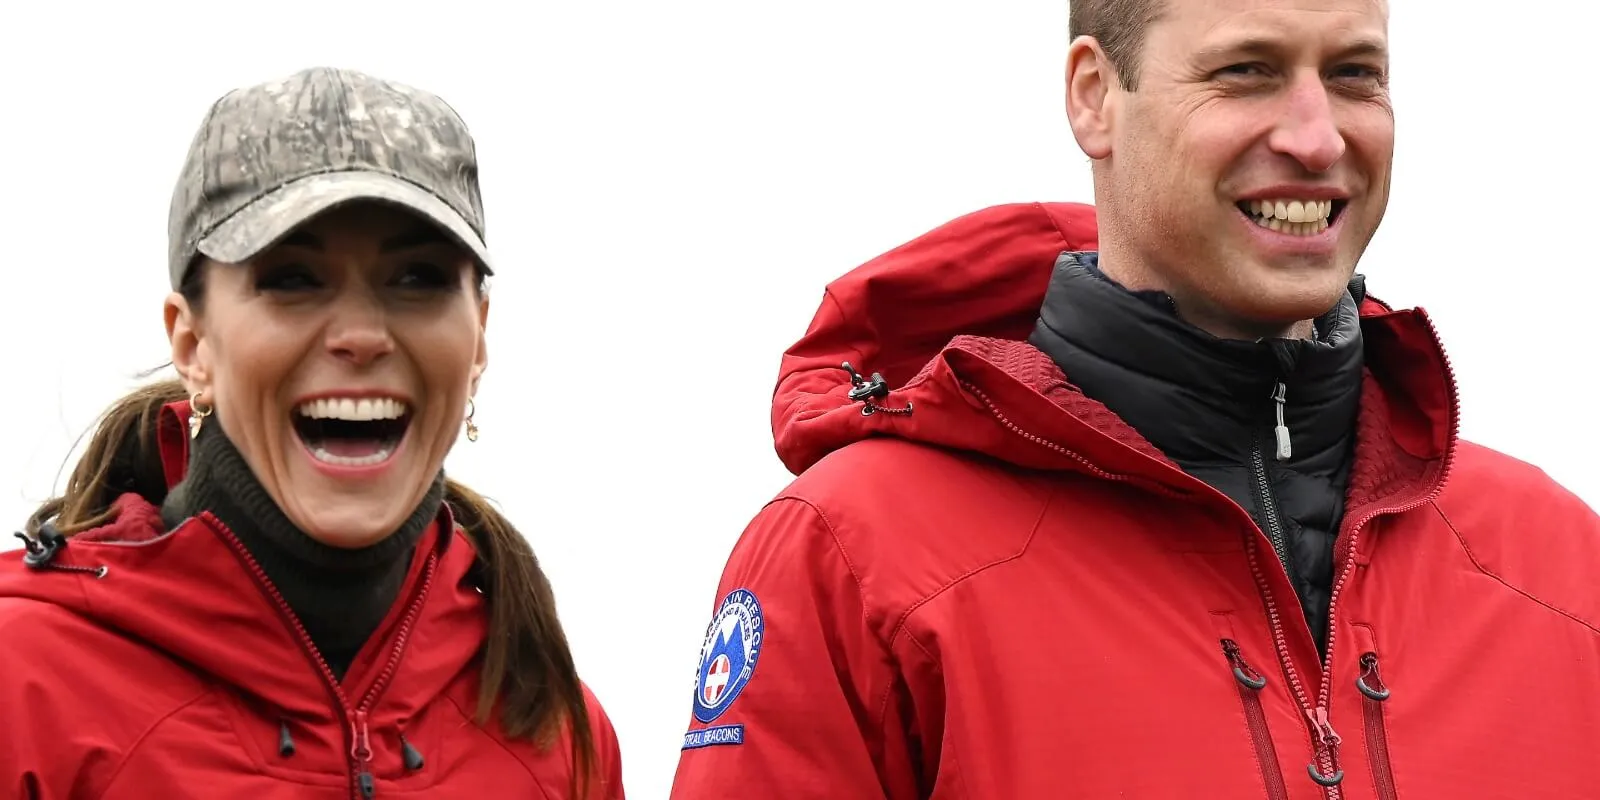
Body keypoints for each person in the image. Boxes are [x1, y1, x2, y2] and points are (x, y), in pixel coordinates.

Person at [670, 1, 1600, 797]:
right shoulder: (859, 556)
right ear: (1093, 96)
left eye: (1355, 74)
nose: (1318, 138)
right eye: (1246, 71)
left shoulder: (1562, 564)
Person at [0, 67, 624, 799]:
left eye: (418, 278)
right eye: (293, 279)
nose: (361, 335)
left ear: (479, 337)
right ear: (193, 343)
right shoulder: (23, 687)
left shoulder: (552, 728)